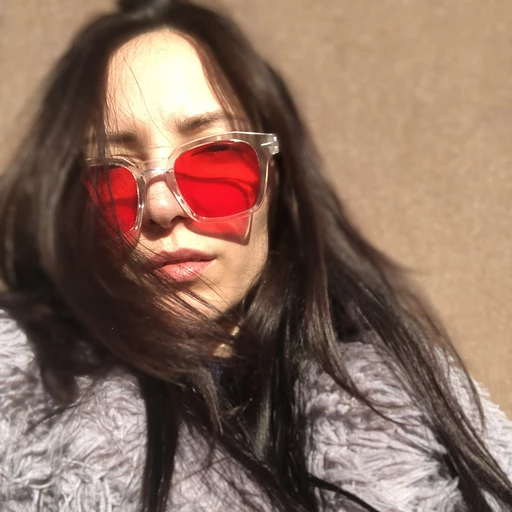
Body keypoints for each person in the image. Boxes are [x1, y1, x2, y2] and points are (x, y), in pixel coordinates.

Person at [0, 0, 511, 510]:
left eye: (214, 161)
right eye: (111, 176)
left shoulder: (415, 404)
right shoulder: (23, 425)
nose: (161, 208)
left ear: (275, 179)